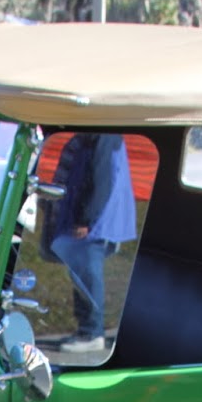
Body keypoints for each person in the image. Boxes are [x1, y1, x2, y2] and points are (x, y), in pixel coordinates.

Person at [42, 132, 137, 351]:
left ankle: (93, 333)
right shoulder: (94, 136)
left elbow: (102, 178)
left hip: (96, 222)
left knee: (88, 275)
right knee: (80, 272)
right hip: (92, 219)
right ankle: (86, 329)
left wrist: (86, 219)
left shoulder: (105, 137)